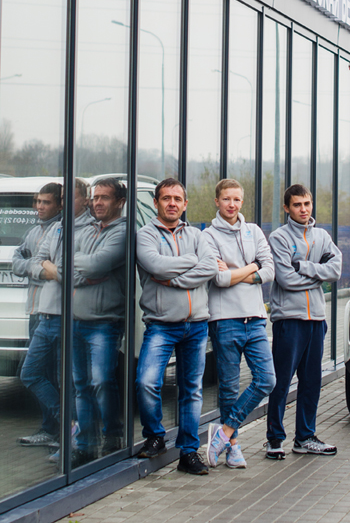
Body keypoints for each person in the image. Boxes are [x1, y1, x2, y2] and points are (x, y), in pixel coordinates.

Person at [135, 178, 218, 475]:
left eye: (177, 199)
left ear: (185, 204)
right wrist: (192, 262)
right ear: (156, 202)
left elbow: (210, 266)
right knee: (146, 382)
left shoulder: (197, 235)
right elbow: (155, 266)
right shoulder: (145, 235)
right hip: (161, 324)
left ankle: (188, 452)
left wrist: (174, 280)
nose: (172, 203)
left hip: (196, 325)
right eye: (166, 198)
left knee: (191, 391)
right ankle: (156, 436)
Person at [203, 178, 276, 469]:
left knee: (266, 379)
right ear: (217, 201)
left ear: (242, 202)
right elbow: (219, 279)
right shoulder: (208, 236)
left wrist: (239, 272)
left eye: (236, 199)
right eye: (226, 199)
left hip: (255, 318)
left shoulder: (254, 231)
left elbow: (269, 270)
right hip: (225, 320)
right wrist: (252, 267)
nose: (231, 204)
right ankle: (232, 448)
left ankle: (224, 431)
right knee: (229, 389)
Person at [264, 184, 341, 459]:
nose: (303, 209)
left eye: (307, 204)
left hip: (316, 319)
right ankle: (274, 439)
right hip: (289, 319)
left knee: (311, 382)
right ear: (287, 208)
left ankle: (305, 438)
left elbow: (336, 270)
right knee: (281, 381)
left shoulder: (322, 236)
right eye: (297, 205)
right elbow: (285, 279)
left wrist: (305, 267)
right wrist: (319, 275)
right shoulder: (279, 238)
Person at [19, 179, 94, 448]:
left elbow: (77, 273)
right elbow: (36, 261)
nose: (63, 203)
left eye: (70, 198)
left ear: (85, 200)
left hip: (70, 316)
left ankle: (72, 436)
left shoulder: (91, 229)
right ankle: (67, 424)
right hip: (46, 314)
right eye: (61, 199)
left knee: (69, 380)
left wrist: (54, 269)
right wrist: (51, 269)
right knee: (30, 373)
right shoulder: (57, 227)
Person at [71, 178, 127, 466]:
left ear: (120, 202)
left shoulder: (125, 233)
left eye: (104, 197)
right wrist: (85, 271)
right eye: (95, 197)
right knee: (81, 385)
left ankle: (113, 437)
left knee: (102, 382)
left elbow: (96, 265)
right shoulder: (87, 231)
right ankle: (86, 445)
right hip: (76, 321)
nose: (98, 202)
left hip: (105, 322)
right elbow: (68, 267)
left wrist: (83, 266)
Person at [12, 182, 62, 342]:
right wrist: (38, 269)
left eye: (46, 202)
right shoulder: (33, 232)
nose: (40, 206)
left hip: (51, 311)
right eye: (38, 201)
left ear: (59, 205)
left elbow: (59, 272)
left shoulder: (62, 231)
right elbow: (16, 263)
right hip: (33, 308)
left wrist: (34, 268)